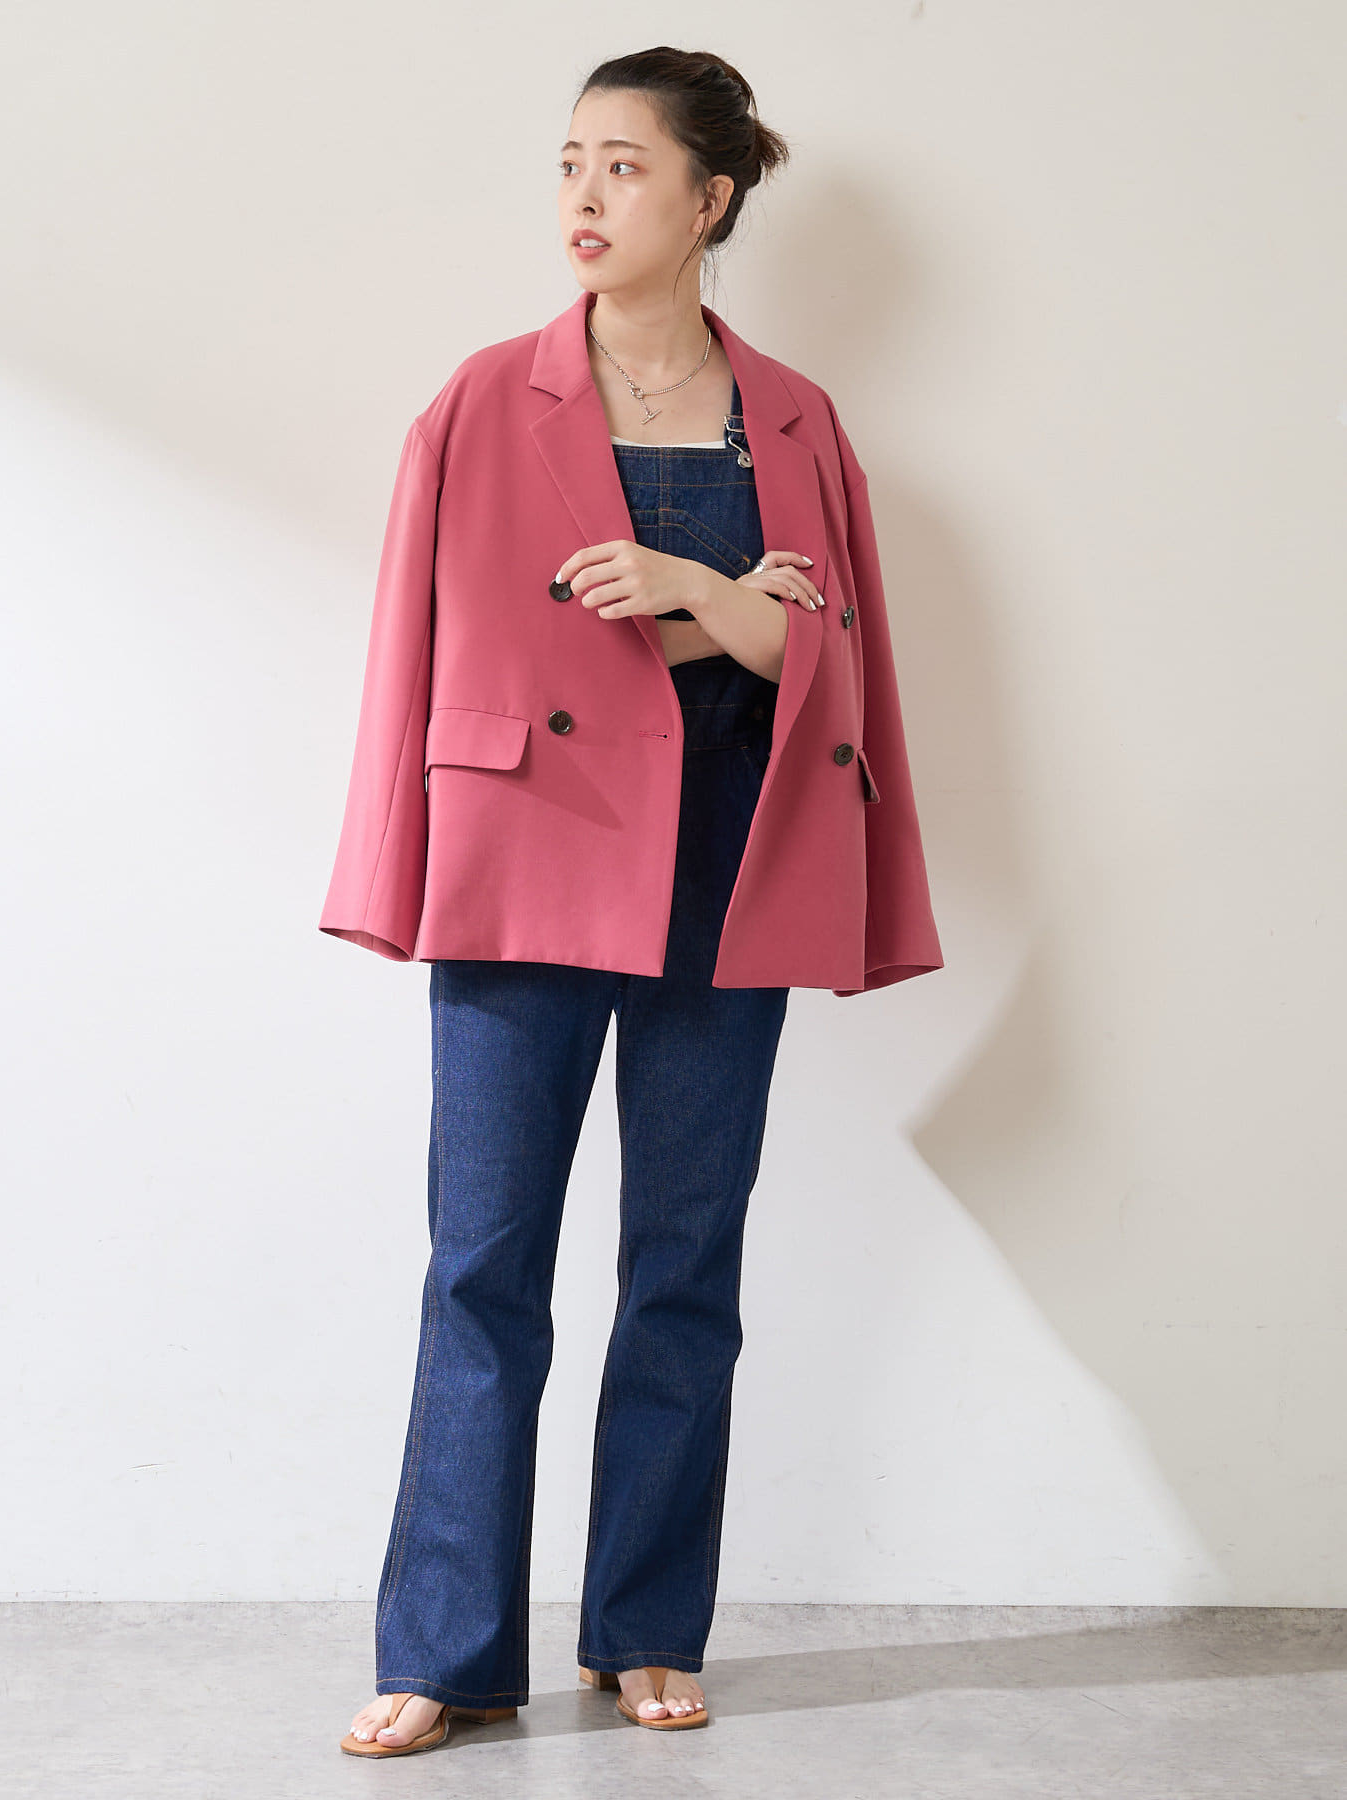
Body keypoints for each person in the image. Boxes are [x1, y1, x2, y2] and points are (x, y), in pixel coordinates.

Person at [331, 47, 944, 1759]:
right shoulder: (481, 400)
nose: (585, 196)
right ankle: (445, 1647)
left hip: (729, 862)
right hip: (524, 855)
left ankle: (649, 1626)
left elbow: (835, 656)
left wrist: (700, 594)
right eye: (569, 162)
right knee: (484, 1264)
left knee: (686, 1260)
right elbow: (418, 648)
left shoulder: (797, 418)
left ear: (710, 197)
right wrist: (731, 611)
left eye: (624, 164)